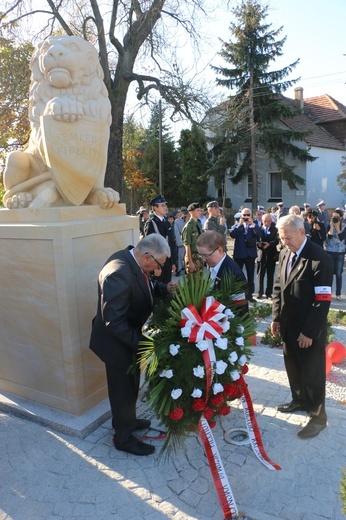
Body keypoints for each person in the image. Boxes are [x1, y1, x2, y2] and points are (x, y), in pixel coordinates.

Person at [89, 234, 177, 456]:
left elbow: (144, 284)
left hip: (127, 338)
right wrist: (146, 346)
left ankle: (126, 421)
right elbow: (114, 322)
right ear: (147, 256)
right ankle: (124, 438)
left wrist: (163, 288)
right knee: (122, 390)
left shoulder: (132, 259)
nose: (159, 270)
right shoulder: (119, 272)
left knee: (130, 386)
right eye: (159, 265)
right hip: (116, 343)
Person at [271, 214, 333, 439]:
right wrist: (276, 317)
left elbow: (322, 301)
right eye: (281, 238)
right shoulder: (285, 252)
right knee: (293, 367)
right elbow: (279, 286)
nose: (284, 241)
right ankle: (299, 400)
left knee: (312, 373)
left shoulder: (319, 258)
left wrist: (308, 332)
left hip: (308, 329)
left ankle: (318, 418)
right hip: (288, 325)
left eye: (287, 237)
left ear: (301, 232)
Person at [196, 230, 249, 316]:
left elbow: (239, 310)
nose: (203, 259)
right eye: (201, 255)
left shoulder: (233, 273)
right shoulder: (214, 264)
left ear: (220, 250)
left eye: (206, 255)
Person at [229, 207, 261, 302]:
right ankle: (238, 294)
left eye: (248, 215)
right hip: (239, 254)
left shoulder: (254, 224)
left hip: (250, 255)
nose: (246, 217)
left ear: (251, 215)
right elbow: (232, 235)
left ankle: (249, 295)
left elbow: (259, 235)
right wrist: (240, 224)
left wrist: (252, 225)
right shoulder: (237, 225)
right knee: (238, 275)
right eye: (244, 215)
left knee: (251, 276)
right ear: (241, 216)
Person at [144, 194, 176, 283]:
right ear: (155, 208)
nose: (165, 207)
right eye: (162, 205)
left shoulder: (166, 222)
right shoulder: (151, 223)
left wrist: (173, 262)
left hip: (167, 262)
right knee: (158, 291)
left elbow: (171, 244)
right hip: (157, 263)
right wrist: (155, 266)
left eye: (165, 205)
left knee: (167, 289)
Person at [324, 208, 346, 300]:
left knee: (338, 274)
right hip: (329, 251)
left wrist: (337, 226)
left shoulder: (344, 226)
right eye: (333, 217)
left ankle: (338, 293)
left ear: (341, 217)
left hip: (340, 252)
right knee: (328, 273)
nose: (334, 218)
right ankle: (328, 293)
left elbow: (341, 238)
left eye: (337, 217)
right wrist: (332, 227)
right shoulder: (330, 225)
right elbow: (328, 239)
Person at [256, 213, 279, 299]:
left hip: (271, 255)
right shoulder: (259, 229)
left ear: (271, 221)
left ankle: (268, 293)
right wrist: (259, 244)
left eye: (268, 221)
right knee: (260, 275)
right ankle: (259, 292)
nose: (266, 223)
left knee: (270, 275)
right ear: (262, 221)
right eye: (265, 221)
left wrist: (269, 244)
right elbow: (256, 240)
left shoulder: (275, 229)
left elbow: (277, 240)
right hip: (261, 256)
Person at [181, 202, 204, 275]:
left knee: (199, 281)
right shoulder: (189, 226)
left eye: (200, 210)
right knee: (192, 282)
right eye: (197, 210)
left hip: (199, 255)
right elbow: (187, 245)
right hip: (192, 256)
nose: (200, 212)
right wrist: (190, 262)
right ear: (191, 212)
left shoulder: (199, 224)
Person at [174, 207, 189, 276]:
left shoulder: (190, 221)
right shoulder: (177, 221)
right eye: (183, 213)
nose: (184, 214)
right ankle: (179, 269)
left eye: (185, 213)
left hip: (189, 242)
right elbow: (176, 233)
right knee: (180, 257)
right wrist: (180, 243)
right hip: (181, 242)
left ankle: (187, 269)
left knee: (188, 257)